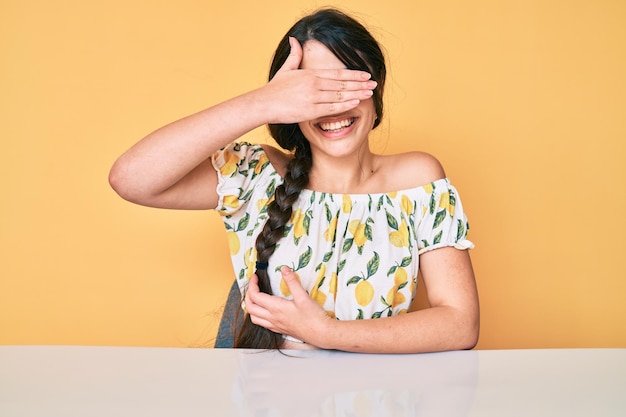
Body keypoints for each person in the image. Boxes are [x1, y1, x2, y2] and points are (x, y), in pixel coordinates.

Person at [109, 8, 479, 353]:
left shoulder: (417, 180)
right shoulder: (255, 175)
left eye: (345, 85)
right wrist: (262, 103)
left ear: (377, 87)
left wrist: (327, 333)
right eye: (314, 91)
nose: (334, 106)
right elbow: (131, 179)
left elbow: (461, 324)